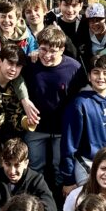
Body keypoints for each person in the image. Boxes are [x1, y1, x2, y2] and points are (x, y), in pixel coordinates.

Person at [21, 25, 87, 180]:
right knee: (35, 167)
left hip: (62, 129)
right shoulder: (31, 65)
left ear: (62, 50)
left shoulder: (74, 68)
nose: (47, 55)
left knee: (61, 168)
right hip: (36, 127)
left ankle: (60, 200)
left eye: (53, 51)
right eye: (43, 49)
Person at [60, 54, 106, 195]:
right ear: (88, 77)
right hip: (86, 165)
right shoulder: (79, 103)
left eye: (105, 73)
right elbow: (68, 144)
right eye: (96, 72)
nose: (100, 77)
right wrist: (68, 180)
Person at [44, 0, 92, 66]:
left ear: (80, 6)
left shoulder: (85, 25)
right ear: (59, 4)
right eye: (66, 5)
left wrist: (62, 36)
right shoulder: (52, 24)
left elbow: (78, 55)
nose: (70, 10)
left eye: (74, 5)